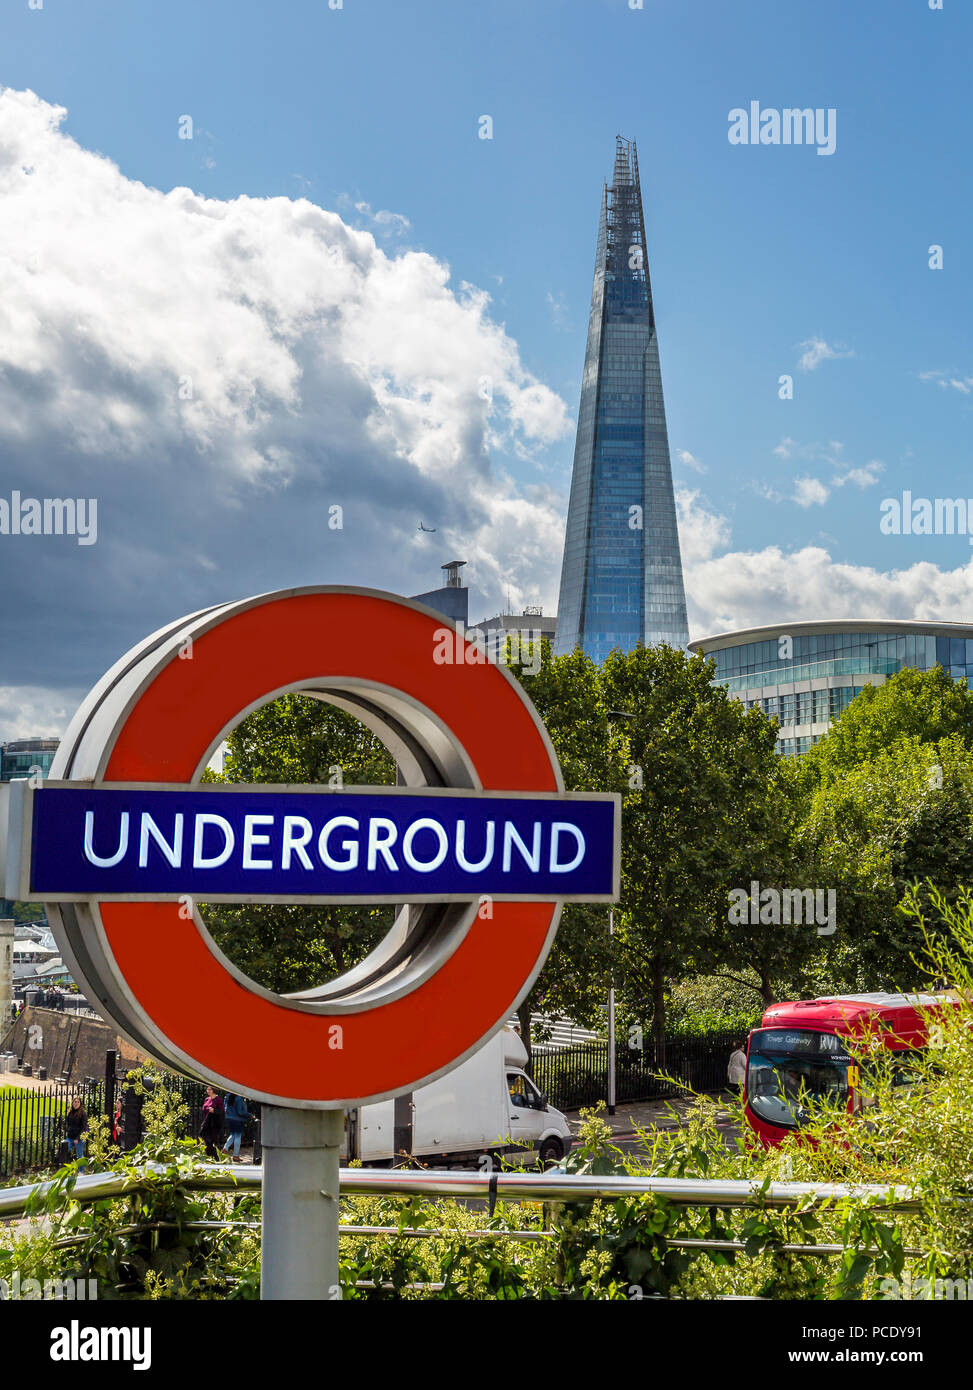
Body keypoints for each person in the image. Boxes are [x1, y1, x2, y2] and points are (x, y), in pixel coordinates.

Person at [199, 1086, 225, 1160]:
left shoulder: (218, 1100)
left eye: (210, 1089)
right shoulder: (206, 1099)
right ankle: (212, 1158)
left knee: (210, 1141)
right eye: (207, 1089)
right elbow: (204, 1111)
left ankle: (214, 1158)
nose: (208, 1091)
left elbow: (222, 1112)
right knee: (206, 1141)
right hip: (206, 1123)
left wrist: (214, 1111)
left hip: (214, 1125)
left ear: (214, 1090)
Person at [222, 1093, 249, 1162]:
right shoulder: (239, 1098)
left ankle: (225, 1148)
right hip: (237, 1119)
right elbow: (240, 1112)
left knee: (233, 1135)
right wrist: (249, 1115)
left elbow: (225, 1107)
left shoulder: (227, 1096)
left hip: (229, 1118)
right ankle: (235, 1155)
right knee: (238, 1136)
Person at [65, 1095, 88, 1162]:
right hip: (70, 1137)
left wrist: (78, 1138)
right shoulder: (70, 1112)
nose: (76, 1103)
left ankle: (81, 1171)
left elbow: (83, 1127)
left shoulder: (83, 1114)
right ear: (72, 1103)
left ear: (80, 1104)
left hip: (80, 1138)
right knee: (65, 1149)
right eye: (75, 1102)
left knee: (79, 1156)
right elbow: (69, 1124)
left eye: (78, 1102)